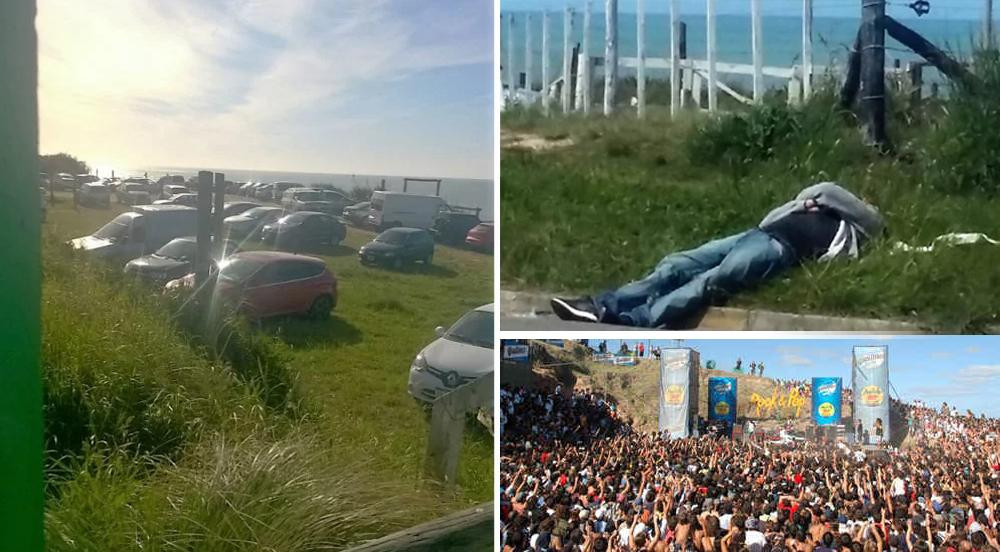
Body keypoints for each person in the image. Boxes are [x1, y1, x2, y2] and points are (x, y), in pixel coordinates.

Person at [549, 182, 884, 327]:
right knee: (677, 264)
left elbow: (827, 189)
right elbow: (774, 216)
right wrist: (802, 205)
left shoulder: (861, 230)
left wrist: (815, 201)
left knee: (710, 280)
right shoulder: (813, 209)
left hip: (778, 250)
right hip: (759, 234)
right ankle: (603, 304)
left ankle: (635, 320)